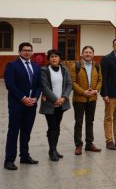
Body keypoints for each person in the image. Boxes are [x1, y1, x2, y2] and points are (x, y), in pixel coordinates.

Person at [4, 42, 42, 170]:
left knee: (26, 132)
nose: (27, 52)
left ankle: (25, 156)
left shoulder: (36, 67)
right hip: (17, 104)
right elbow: (10, 84)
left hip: (32, 104)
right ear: (19, 52)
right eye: (24, 50)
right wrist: (23, 98)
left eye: (29, 50)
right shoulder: (12, 65)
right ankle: (9, 160)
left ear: (32, 52)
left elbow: (39, 85)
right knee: (13, 132)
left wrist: (35, 98)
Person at [39, 49, 72, 161]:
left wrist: (63, 98)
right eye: (51, 56)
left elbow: (69, 84)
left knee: (57, 127)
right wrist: (55, 100)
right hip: (50, 104)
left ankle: (54, 148)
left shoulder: (64, 70)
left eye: (56, 56)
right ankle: (52, 150)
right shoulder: (44, 70)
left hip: (62, 103)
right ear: (48, 59)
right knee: (52, 126)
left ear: (59, 58)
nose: (54, 58)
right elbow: (44, 87)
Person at [70, 45, 102, 155]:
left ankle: (89, 144)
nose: (88, 54)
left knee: (90, 121)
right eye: (86, 52)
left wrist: (95, 91)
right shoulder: (76, 66)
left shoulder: (97, 66)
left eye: (90, 52)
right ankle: (78, 145)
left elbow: (100, 80)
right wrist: (83, 92)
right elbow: (72, 82)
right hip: (79, 99)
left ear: (93, 54)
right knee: (78, 122)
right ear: (82, 54)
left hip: (92, 98)